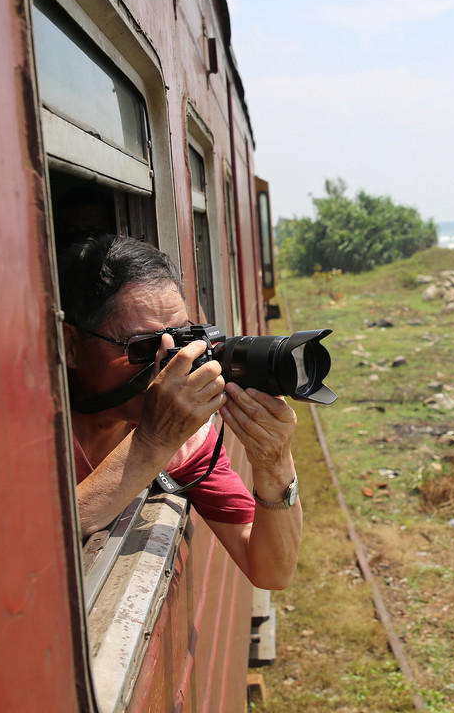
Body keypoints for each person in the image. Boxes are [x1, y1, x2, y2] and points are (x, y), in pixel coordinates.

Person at [58, 234, 301, 590]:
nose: (172, 362)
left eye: (183, 339)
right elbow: (31, 541)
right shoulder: (29, 429)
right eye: (143, 347)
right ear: (70, 346)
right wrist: (154, 440)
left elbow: (271, 572)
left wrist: (276, 465)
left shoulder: (186, 442)